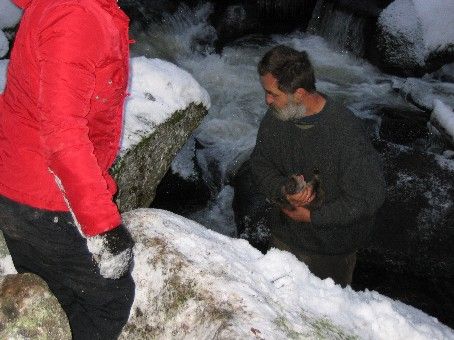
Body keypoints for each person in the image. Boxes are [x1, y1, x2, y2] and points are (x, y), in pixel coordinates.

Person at [0, 0, 135, 338]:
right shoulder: (77, 18)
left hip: (19, 181)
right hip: (45, 199)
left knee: (58, 296)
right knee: (110, 300)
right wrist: (103, 227)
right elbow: (63, 138)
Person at [250, 45, 386, 287]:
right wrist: (283, 189)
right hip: (283, 239)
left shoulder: (346, 133)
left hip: (330, 253)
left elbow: (368, 198)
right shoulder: (276, 117)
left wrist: (313, 216)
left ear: (299, 94)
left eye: (273, 94)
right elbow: (260, 164)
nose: (267, 100)